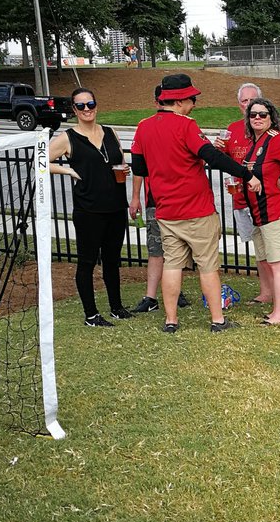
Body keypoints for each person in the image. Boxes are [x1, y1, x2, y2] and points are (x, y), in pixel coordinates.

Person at [129, 73, 257, 334]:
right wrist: (246, 174)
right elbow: (210, 155)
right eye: (192, 99)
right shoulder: (186, 125)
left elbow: (140, 166)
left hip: (166, 211)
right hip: (197, 210)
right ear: (179, 101)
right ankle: (217, 320)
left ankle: (171, 321)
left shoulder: (143, 126)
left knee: (172, 265)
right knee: (207, 265)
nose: (194, 103)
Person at [49, 88, 132, 328]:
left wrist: (124, 169)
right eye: (81, 106)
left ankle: (116, 307)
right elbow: (40, 160)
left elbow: (120, 161)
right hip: (89, 210)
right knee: (86, 262)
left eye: (90, 103)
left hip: (116, 206)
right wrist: (68, 170)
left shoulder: (110, 132)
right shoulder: (68, 138)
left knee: (112, 260)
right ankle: (91, 315)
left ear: (96, 105)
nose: (87, 109)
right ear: (74, 110)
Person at [217, 83, 280, 313]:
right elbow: (230, 161)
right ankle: (266, 292)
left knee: (276, 256)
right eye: (245, 103)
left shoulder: (273, 134)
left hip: (270, 204)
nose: (251, 109)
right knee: (261, 251)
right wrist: (218, 149)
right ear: (239, 105)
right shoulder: (233, 130)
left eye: (255, 103)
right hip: (243, 201)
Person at [232, 97, 280, 326]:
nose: (257, 118)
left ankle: (279, 315)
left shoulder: (275, 139)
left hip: (276, 212)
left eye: (262, 115)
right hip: (260, 213)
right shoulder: (255, 142)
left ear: (271, 118)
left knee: (277, 264)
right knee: (267, 260)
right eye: (253, 114)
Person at [130, 84, 190, 314]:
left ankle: (175, 290)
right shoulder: (146, 127)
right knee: (156, 249)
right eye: (159, 101)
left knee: (179, 249)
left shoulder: (184, 126)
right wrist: (135, 197)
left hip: (181, 200)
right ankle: (151, 296)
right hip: (156, 199)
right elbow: (139, 168)